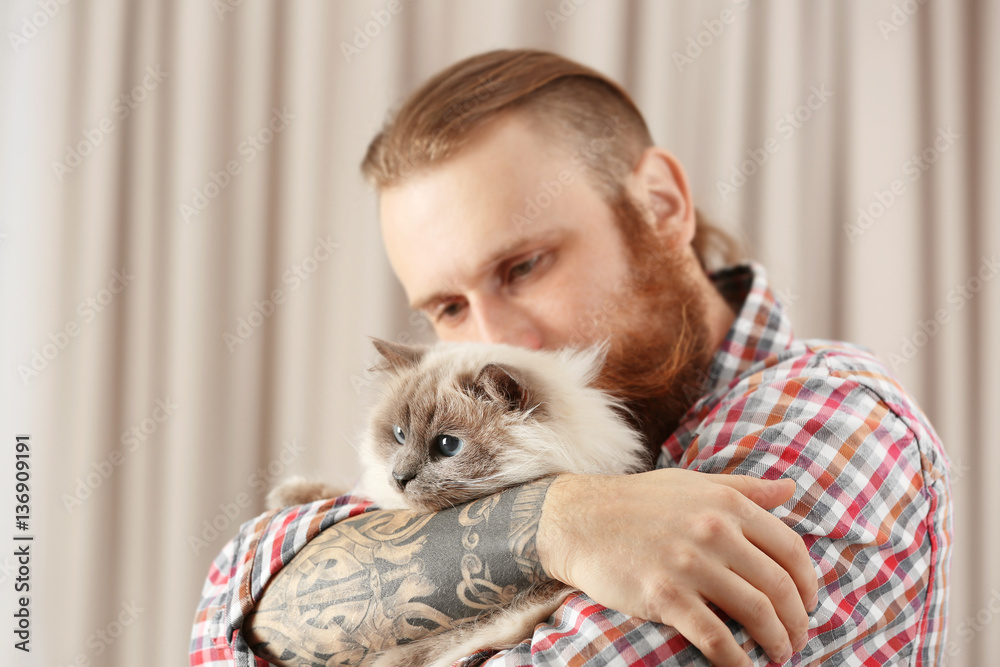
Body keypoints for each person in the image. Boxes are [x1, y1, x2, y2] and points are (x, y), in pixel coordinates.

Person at [189, 49, 951, 666]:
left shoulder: (832, 428)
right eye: (449, 308)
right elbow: (237, 607)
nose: (491, 339)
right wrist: (553, 522)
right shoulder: (502, 458)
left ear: (660, 203)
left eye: (524, 267)